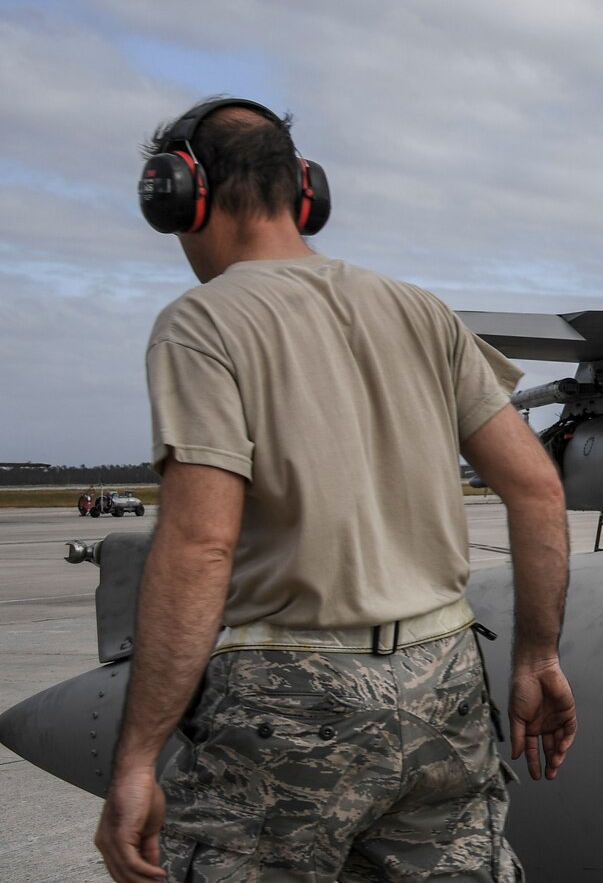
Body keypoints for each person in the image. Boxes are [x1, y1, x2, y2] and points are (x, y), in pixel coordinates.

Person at [96, 98, 577, 883]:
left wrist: (136, 758)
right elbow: (536, 491)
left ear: (182, 195)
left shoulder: (202, 323)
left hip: (288, 697)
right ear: (304, 193)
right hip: (445, 679)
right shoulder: (420, 309)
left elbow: (202, 541)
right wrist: (537, 656)